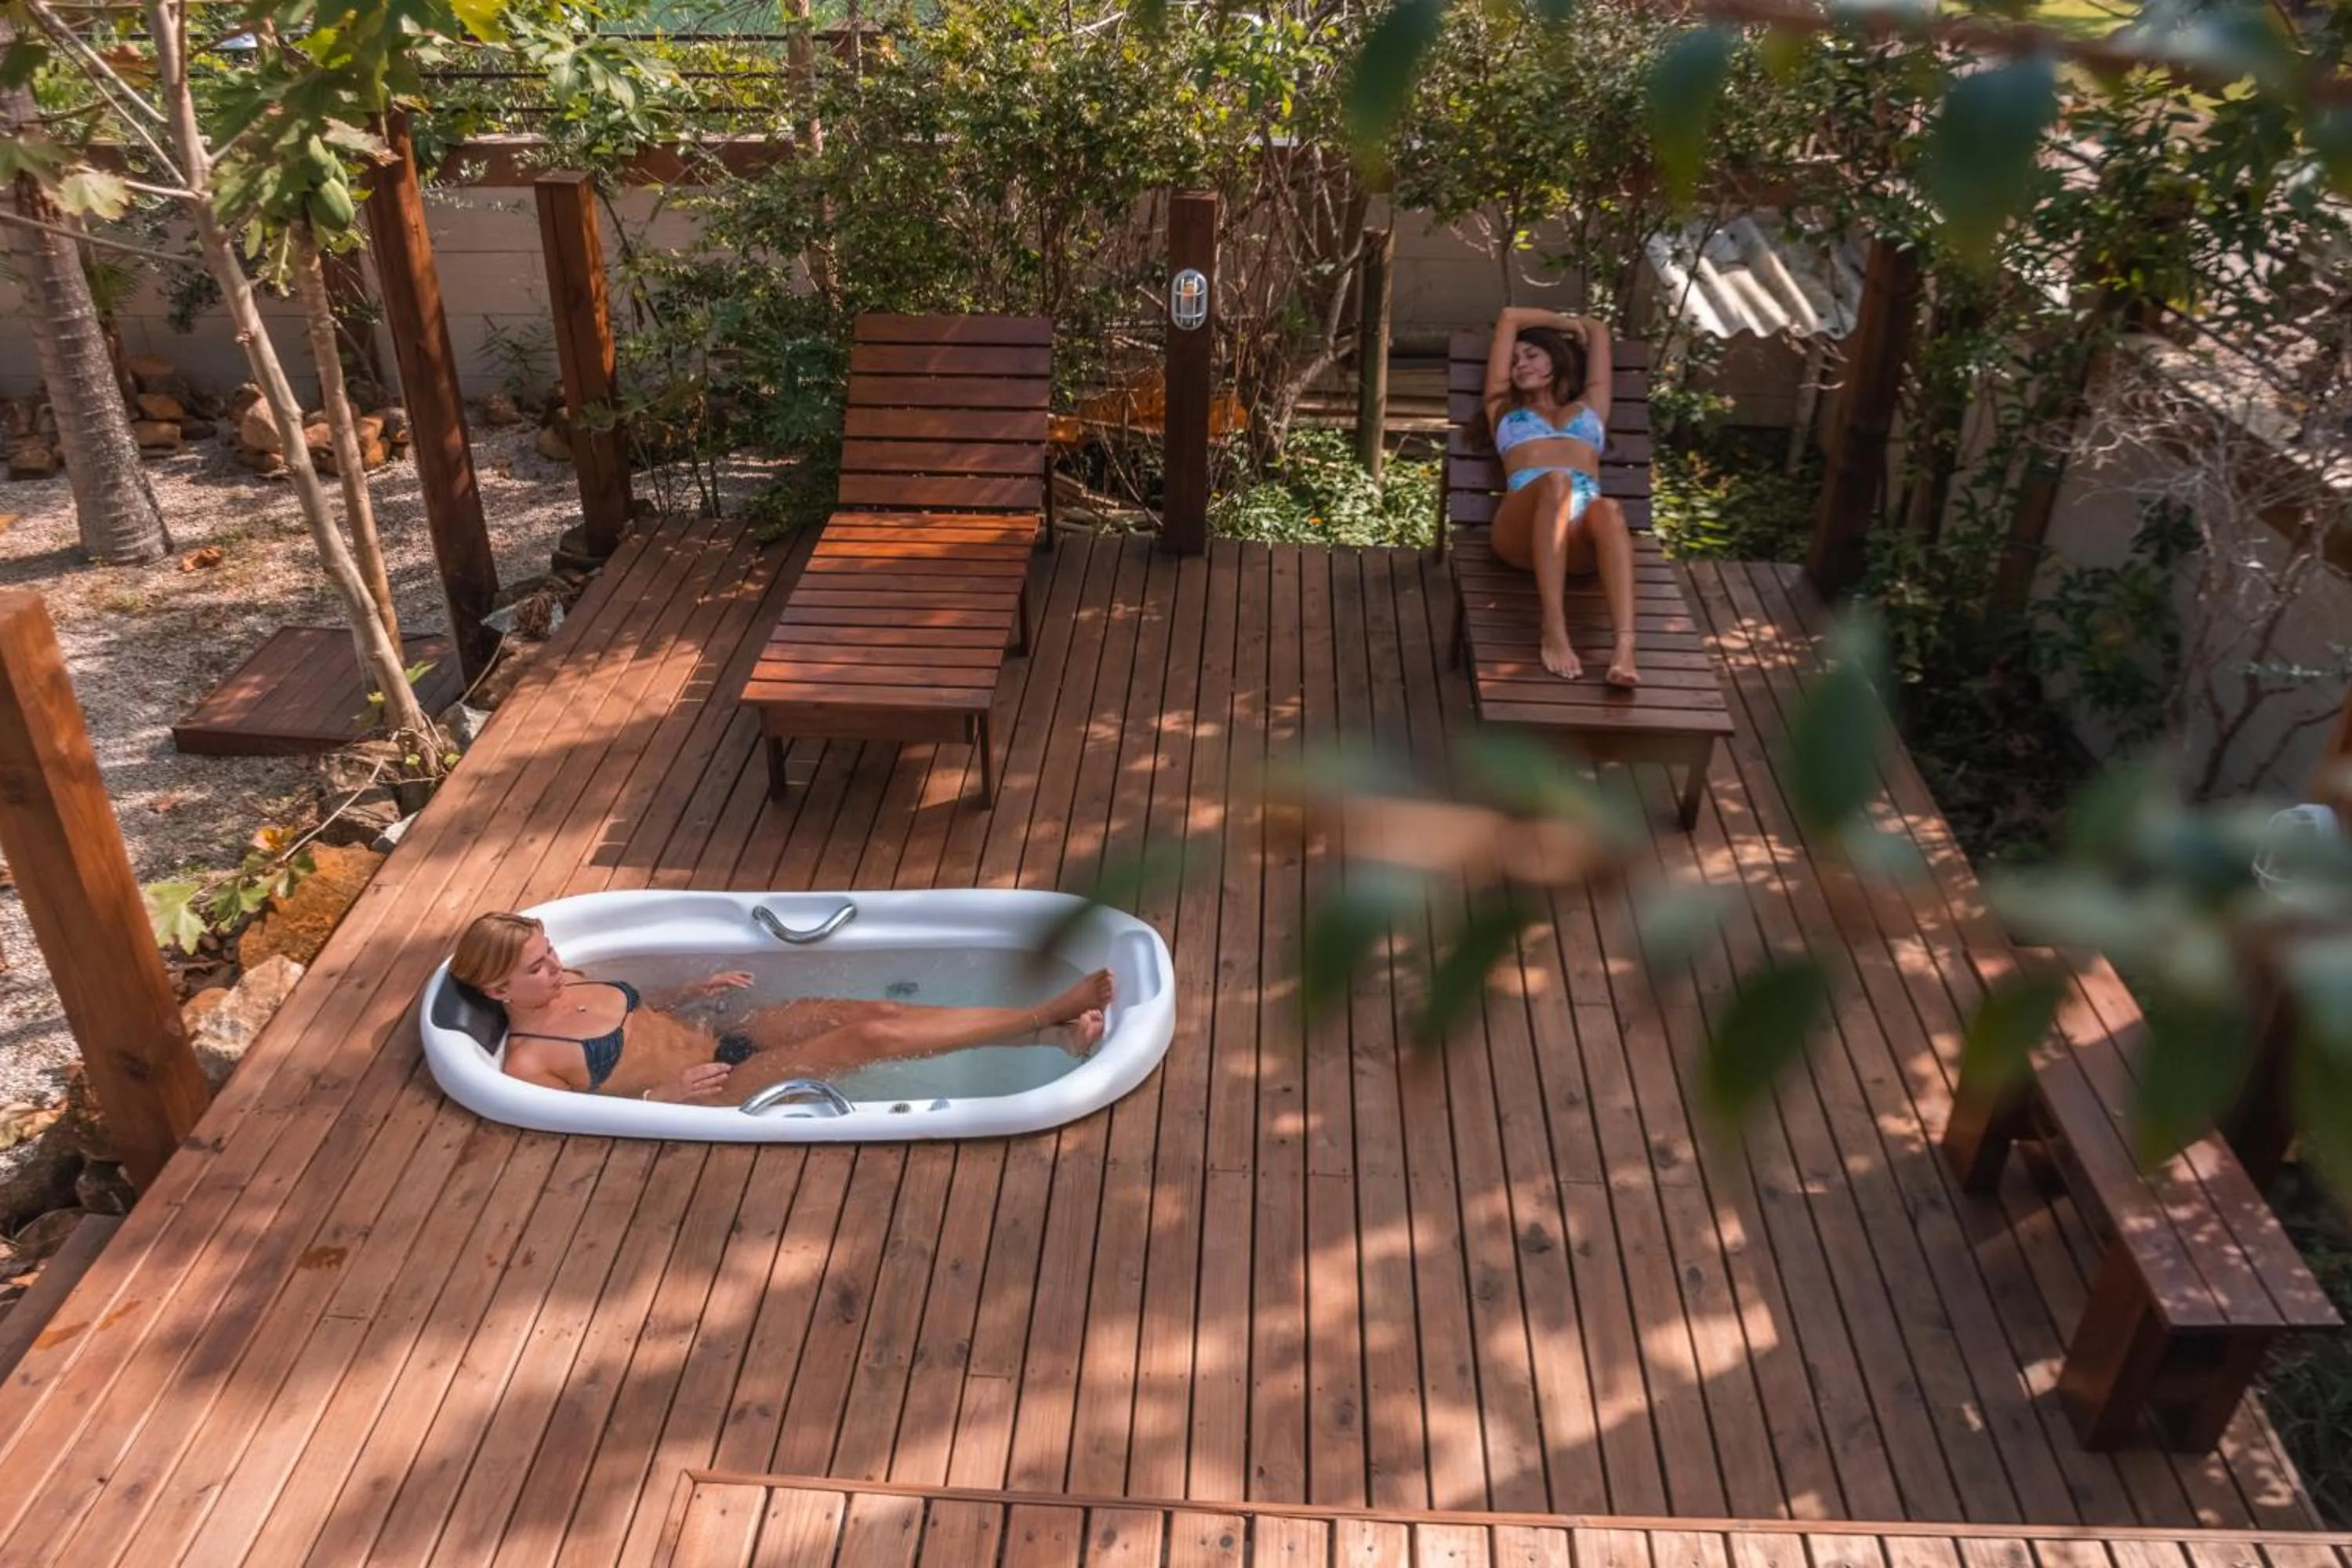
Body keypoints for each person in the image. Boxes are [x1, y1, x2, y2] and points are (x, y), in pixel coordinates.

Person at [447, 911, 1114, 1105]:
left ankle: (1053, 1041)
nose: (556, 965)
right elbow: (589, 1122)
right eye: (537, 966)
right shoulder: (530, 1065)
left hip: (724, 1034)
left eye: (551, 950)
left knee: (874, 1011)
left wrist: (689, 994)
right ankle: (1045, 1013)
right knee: (868, 1040)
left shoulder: (569, 980)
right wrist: (664, 1096)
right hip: (716, 1088)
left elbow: (636, 1017)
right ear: (499, 991)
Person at [1482, 306, 1639, 687]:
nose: (1520, 365)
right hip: (1522, 528)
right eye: (1515, 361)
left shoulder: (1591, 406)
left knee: (1609, 508)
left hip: (1579, 537)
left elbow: (1598, 329)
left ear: (1558, 357)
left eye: (1532, 355)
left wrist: (1580, 329)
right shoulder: (1501, 406)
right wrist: (1566, 324)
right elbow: (1509, 317)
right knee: (1556, 481)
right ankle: (1554, 628)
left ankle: (1625, 647)